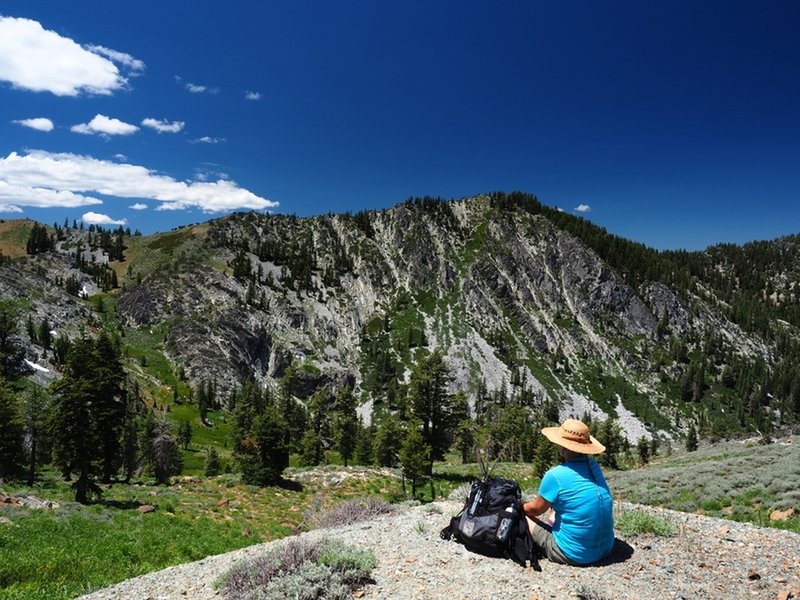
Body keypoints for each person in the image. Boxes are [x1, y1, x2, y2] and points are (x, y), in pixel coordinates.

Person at [522, 418, 614, 566]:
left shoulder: (555, 475)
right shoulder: (593, 466)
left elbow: (535, 510)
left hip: (573, 553)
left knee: (521, 516)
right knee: (559, 507)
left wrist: (520, 507)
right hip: (606, 548)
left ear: (563, 447)